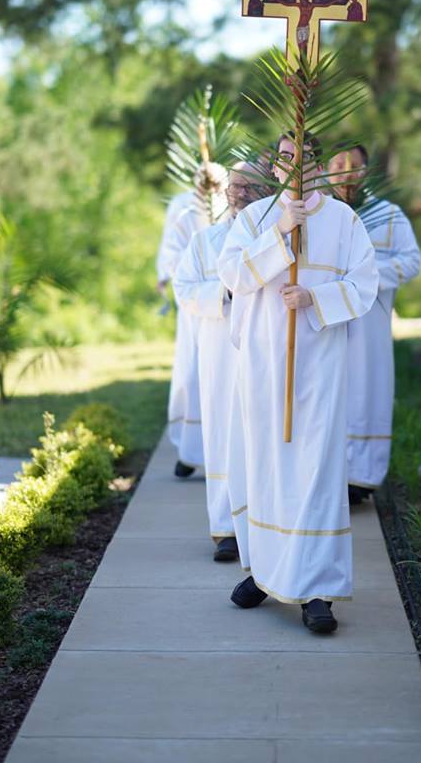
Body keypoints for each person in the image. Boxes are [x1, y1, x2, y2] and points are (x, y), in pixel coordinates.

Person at [217, 132, 378, 634]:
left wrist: (314, 299)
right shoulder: (255, 217)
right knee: (266, 467)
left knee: (315, 472)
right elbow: (232, 274)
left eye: (302, 156)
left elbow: (364, 284)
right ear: (275, 165)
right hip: (264, 365)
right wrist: (279, 233)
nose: (292, 165)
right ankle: (266, 573)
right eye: (284, 157)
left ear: (317, 163)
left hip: (319, 369)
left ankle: (317, 589)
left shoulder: (344, 221)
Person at [172, 164, 262, 562]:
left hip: (266, 355)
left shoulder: (276, 238)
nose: (241, 193)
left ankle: (263, 526)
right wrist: (225, 292)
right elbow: (184, 289)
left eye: (251, 186)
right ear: (225, 192)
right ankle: (226, 528)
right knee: (224, 435)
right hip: (221, 356)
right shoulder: (205, 241)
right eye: (236, 186)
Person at [327, 144, 421, 503]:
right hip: (324, 318)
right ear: (326, 169)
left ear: (365, 171)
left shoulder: (388, 214)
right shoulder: (318, 214)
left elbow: (411, 261)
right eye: (338, 163)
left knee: (366, 391)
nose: (345, 171)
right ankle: (327, 474)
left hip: (369, 322)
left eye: (353, 165)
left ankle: (361, 477)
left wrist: (365, 275)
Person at [156, 189, 204, 478]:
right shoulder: (184, 205)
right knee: (191, 374)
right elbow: (171, 251)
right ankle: (191, 449)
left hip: (234, 303)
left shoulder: (249, 204)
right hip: (196, 302)